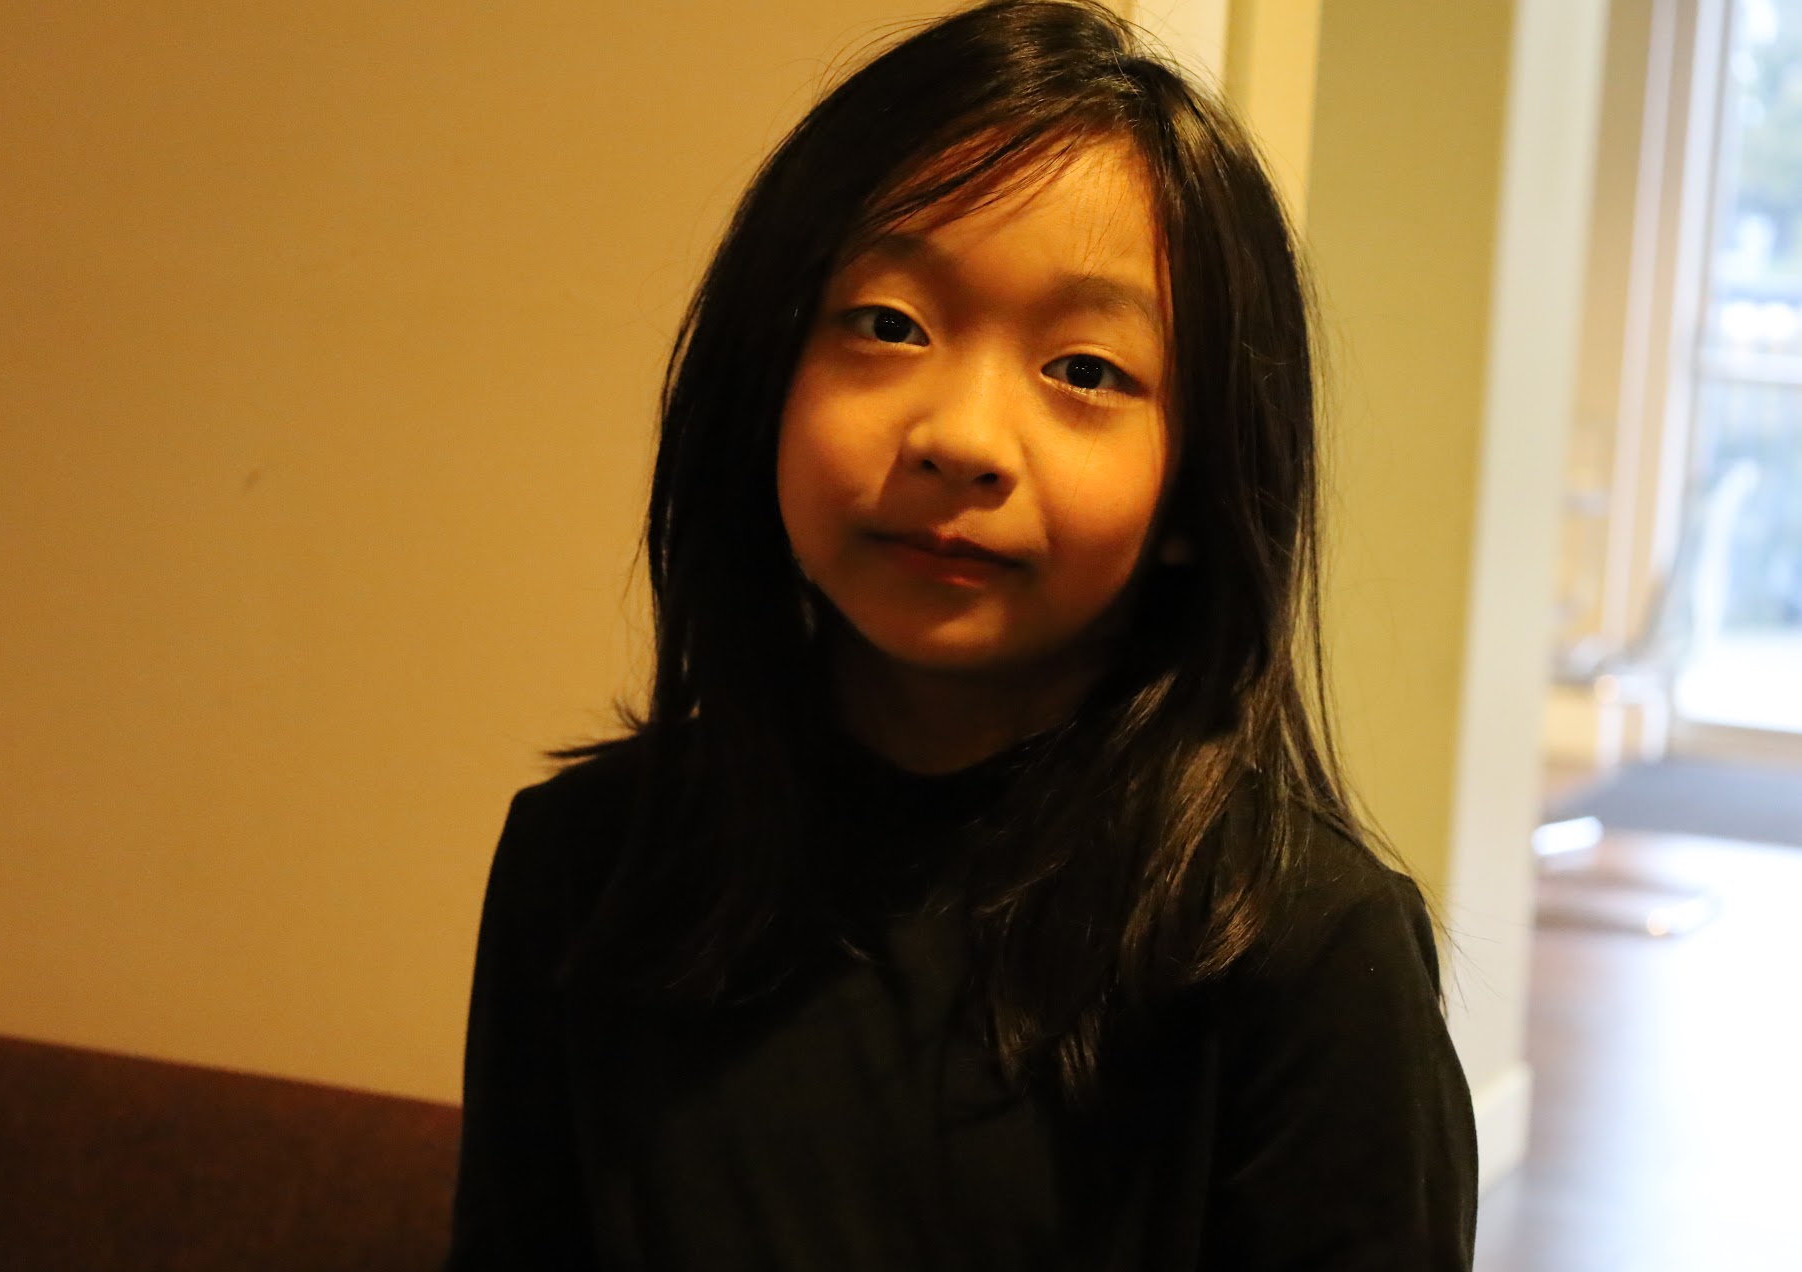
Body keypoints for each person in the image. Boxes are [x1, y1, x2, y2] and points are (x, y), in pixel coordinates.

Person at [447, 1, 1479, 1267]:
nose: (963, 438)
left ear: (1198, 492)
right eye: (889, 324)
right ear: (764, 380)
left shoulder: (1304, 954)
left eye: (1086, 370)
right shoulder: (588, 866)